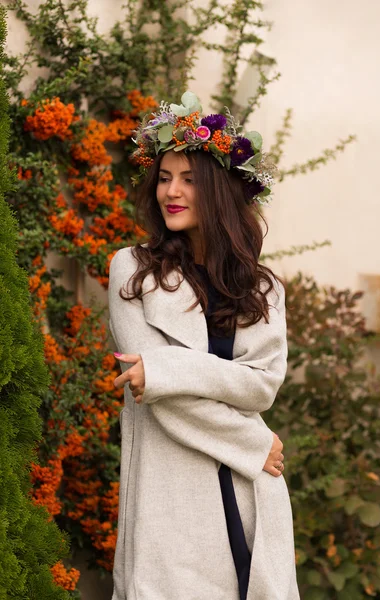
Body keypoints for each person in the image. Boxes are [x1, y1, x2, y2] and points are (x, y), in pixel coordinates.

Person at [109, 92, 300, 600]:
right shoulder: (131, 270)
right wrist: (253, 444)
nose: (172, 191)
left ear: (218, 192)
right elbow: (160, 400)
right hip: (173, 501)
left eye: (189, 179)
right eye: (166, 177)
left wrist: (167, 368)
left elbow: (260, 387)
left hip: (248, 497)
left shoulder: (261, 288)